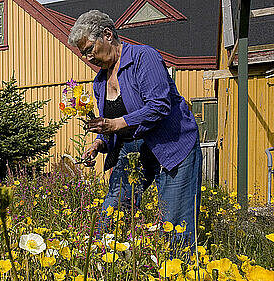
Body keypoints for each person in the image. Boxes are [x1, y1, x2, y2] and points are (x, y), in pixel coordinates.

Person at [68, 10, 202, 249]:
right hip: (133, 149)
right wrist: (99, 143)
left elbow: (159, 105)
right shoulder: (100, 81)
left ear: (107, 35)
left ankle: (179, 273)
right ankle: (108, 265)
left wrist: (117, 123)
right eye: (83, 53)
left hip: (171, 144)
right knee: (112, 211)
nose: (88, 57)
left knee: (174, 222)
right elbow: (109, 122)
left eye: (89, 49)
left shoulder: (143, 57)